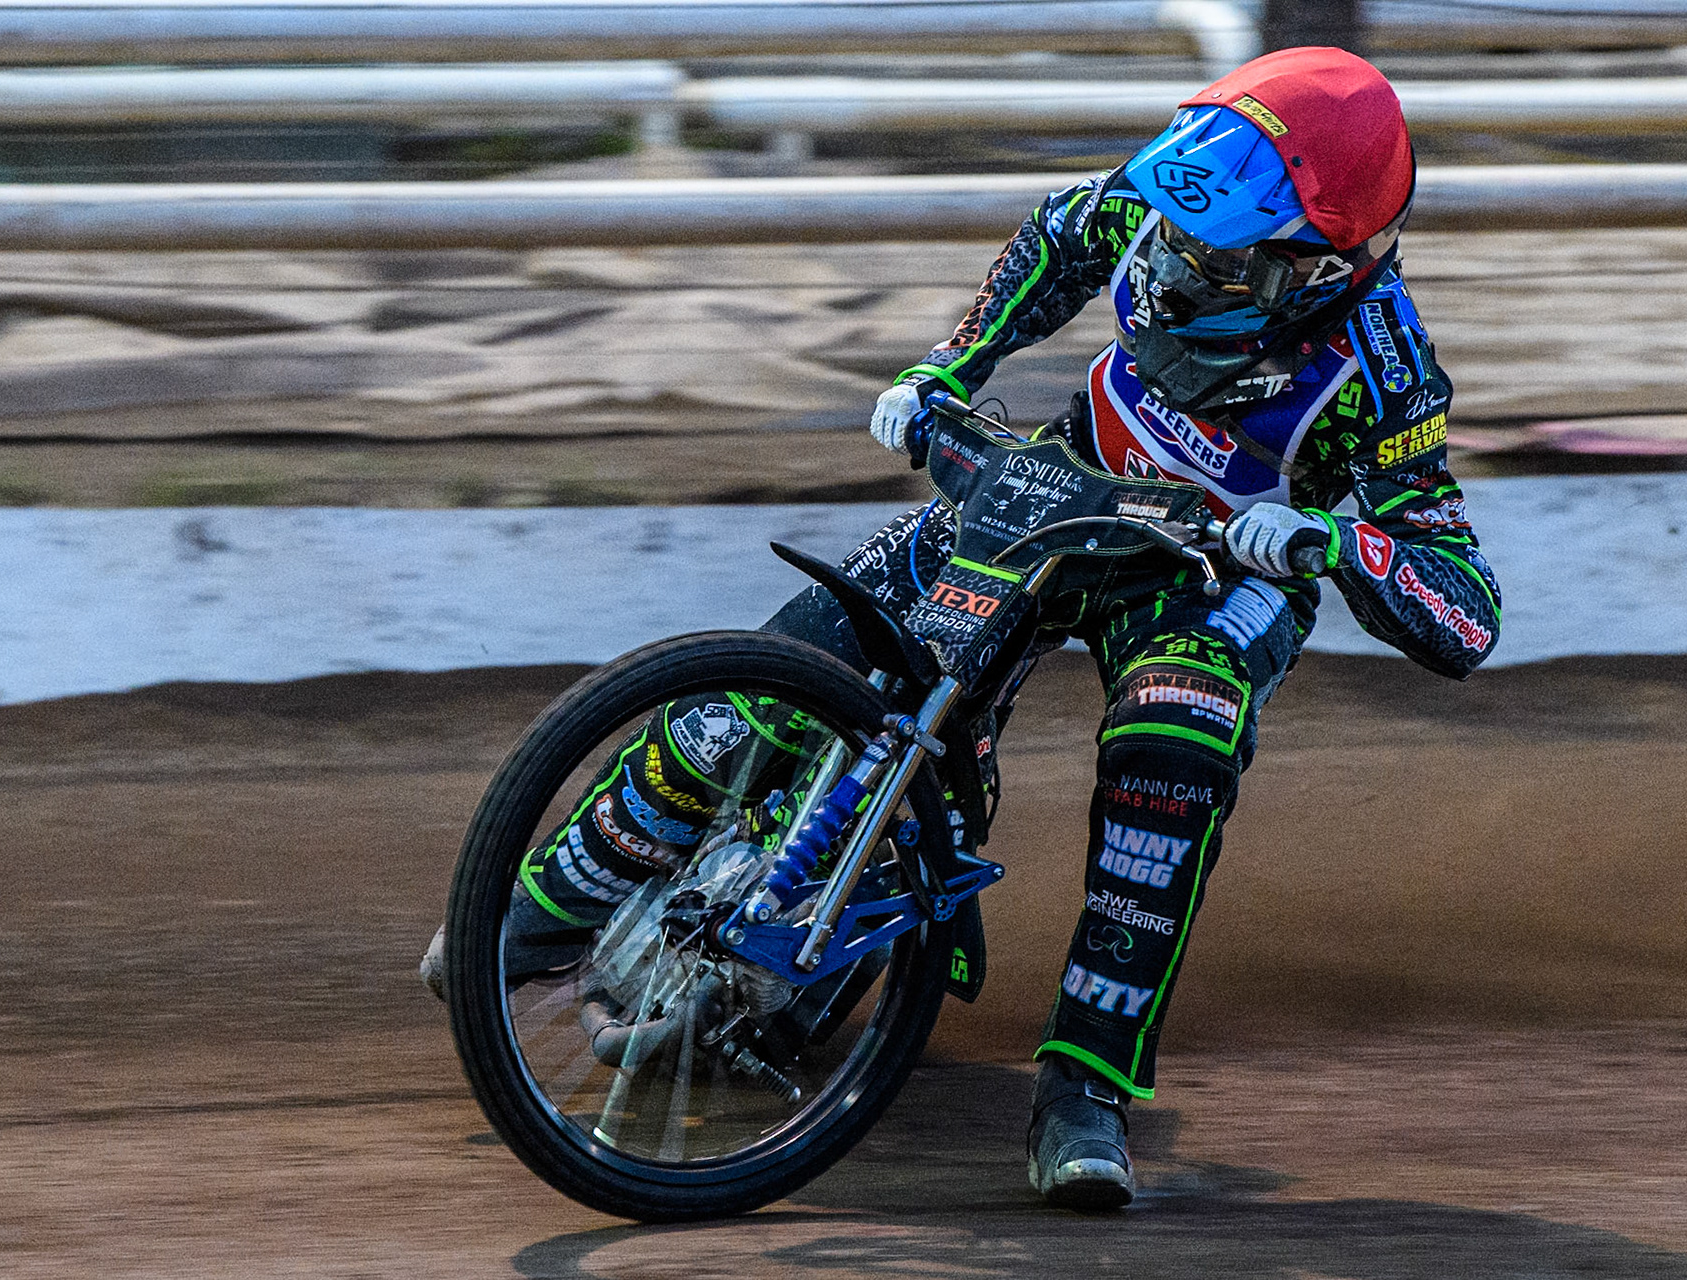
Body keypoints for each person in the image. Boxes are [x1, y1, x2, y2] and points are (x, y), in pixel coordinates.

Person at [426, 46, 1501, 1213]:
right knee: (787, 672)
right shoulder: (1167, 202)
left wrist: (1324, 543)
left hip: (1207, 567)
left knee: (1170, 751)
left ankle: (1085, 1090)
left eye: (1219, 256)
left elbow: (1464, 606)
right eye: (1177, 236)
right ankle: (535, 911)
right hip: (1064, 480)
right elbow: (1058, 232)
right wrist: (953, 364)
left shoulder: (1386, 370)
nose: (1178, 264)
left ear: (1317, 264)